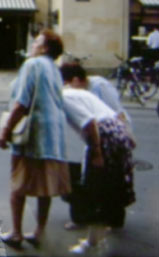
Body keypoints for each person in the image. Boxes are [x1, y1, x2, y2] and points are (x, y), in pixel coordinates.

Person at [0, 29, 70, 248]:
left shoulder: (33, 64)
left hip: (33, 133)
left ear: (45, 47)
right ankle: (39, 231)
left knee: (19, 183)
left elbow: (22, 102)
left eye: (36, 42)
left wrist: (5, 130)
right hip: (53, 135)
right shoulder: (55, 69)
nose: (32, 45)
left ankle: (16, 232)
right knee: (43, 186)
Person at [60, 74, 136, 254]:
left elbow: (89, 123)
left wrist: (96, 153)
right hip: (116, 133)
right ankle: (97, 237)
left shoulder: (64, 98)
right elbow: (115, 115)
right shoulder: (75, 93)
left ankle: (92, 242)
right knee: (109, 187)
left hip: (105, 136)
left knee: (96, 189)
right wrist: (129, 137)